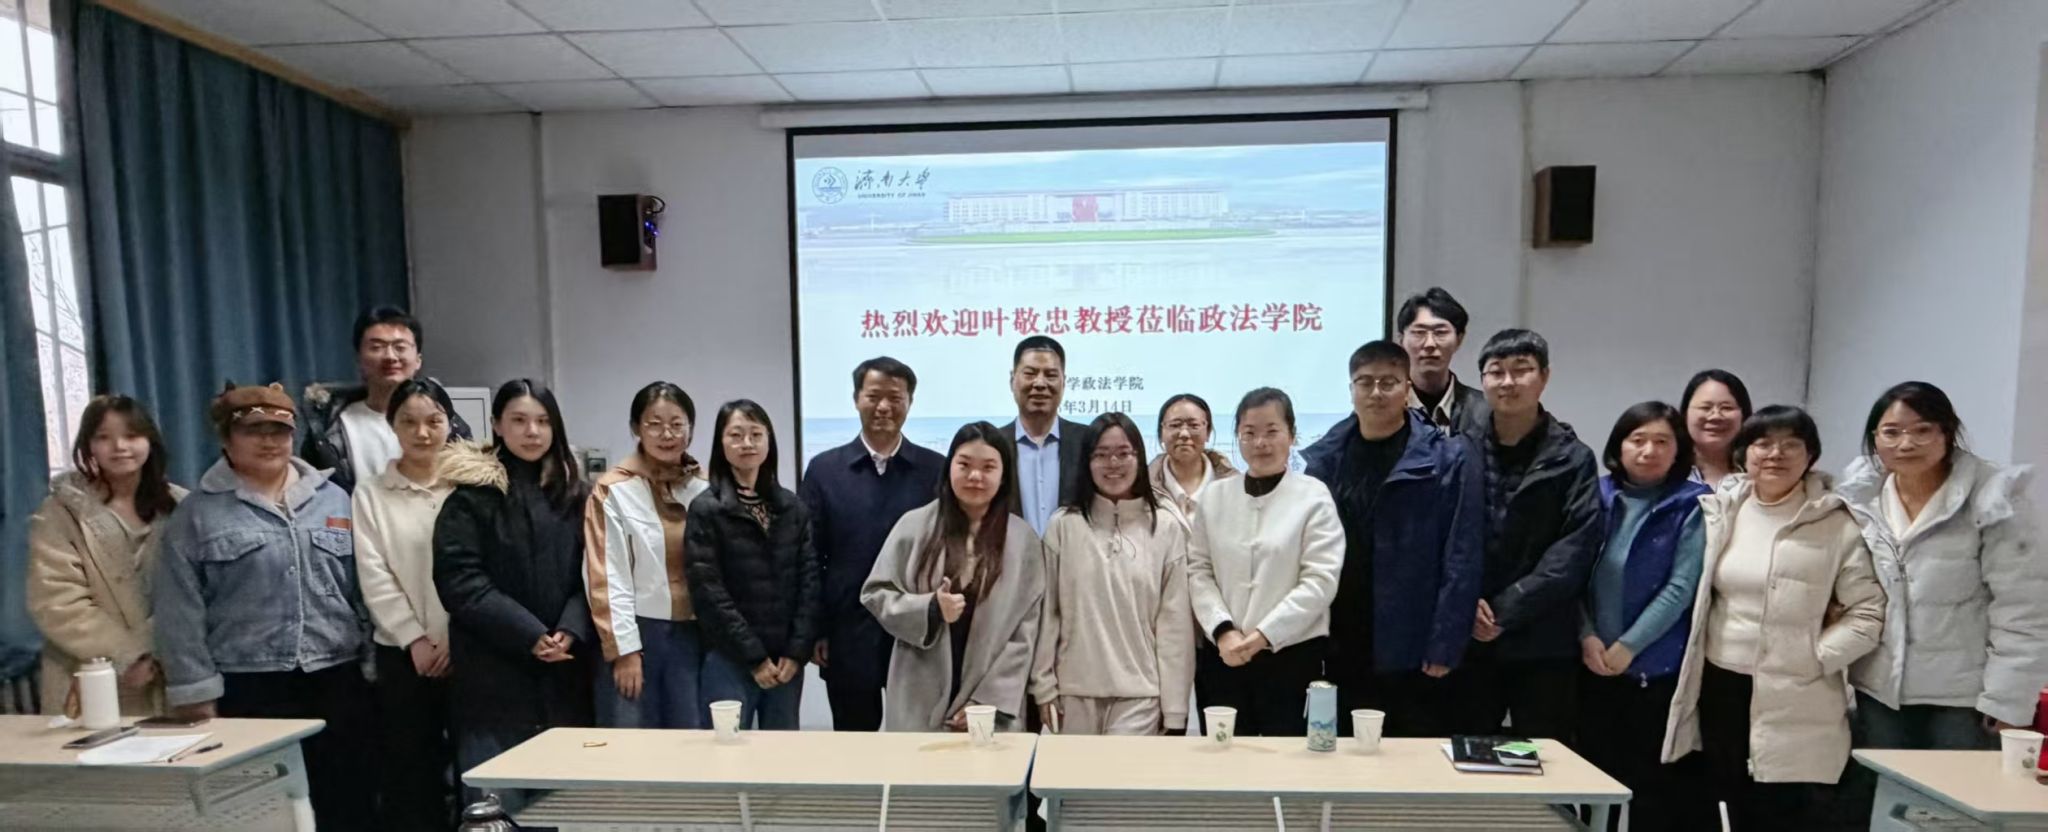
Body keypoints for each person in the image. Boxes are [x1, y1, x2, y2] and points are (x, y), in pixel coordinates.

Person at [153, 383, 374, 829]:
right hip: (248, 683)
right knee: (262, 809)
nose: (269, 441)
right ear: (226, 439)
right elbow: (179, 607)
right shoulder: (197, 513)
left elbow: (362, 588)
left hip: (336, 675)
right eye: (254, 431)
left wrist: (374, 661)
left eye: (280, 430)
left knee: (347, 800)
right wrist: (195, 690)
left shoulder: (335, 499)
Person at [1660, 405, 1886, 832]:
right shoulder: (1724, 511)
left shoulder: (1835, 523)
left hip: (1795, 689)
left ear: (1810, 455)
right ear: (1744, 453)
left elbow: (1868, 612)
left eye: (1791, 445)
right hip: (1721, 683)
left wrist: (1815, 657)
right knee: (1726, 799)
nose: (1776, 454)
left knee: (1782, 808)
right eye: (1763, 443)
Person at [1836, 382, 2048, 818]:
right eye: (1891, 432)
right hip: (1881, 691)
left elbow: (2023, 609)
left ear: (1947, 433)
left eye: (1922, 430)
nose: (1906, 443)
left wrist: (2009, 701)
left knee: (1956, 811)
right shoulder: (1861, 496)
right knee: (1887, 809)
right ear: (1875, 438)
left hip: (1963, 699)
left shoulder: (1994, 498)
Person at [1302, 342, 1482, 738]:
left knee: (1411, 756)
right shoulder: (1323, 459)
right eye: (1365, 382)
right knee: (1340, 753)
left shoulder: (1445, 458)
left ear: (1407, 389)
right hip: (1341, 638)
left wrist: (1445, 642)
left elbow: (1462, 554)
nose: (1376, 392)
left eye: (1388, 382)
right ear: (1351, 389)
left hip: (1412, 642)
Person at [434, 380, 594, 802]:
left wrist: (571, 628)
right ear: (497, 425)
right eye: (519, 420)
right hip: (493, 677)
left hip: (564, 674)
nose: (532, 432)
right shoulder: (471, 498)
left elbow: (593, 574)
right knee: (497, 807)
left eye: (543, 421)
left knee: (564, 807)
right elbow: (460, 581)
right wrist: (529, 634)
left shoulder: (576, 496)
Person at [1454, 329, 1601, 743]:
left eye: (1521, 370)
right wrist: (1465, 603)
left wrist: (1506, 609)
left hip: (1543, 637)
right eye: (1496, 371)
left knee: (1545, 755)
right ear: (1482, 380)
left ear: (1544, 377)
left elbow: (1574, 549)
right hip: (1468, 636)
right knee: (1462, 753)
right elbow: (1445, 536)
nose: (1508, 382)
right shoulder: (1459, 449)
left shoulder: (1573, 458)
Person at [1576, 402, 1713, 831]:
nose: (1649, 451)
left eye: (1661, 442)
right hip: (1588, 662)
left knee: (1649, 788)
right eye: (1638, 439)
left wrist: (1629, 646)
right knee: (1590, 778)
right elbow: (1572, 574)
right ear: (1619, 446)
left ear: (1678, 451)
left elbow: (1681, 588)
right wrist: (1586, 635)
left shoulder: (1693, 504)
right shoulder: (1595, 494)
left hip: (1654, 669)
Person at [863, 421, 1044, 732]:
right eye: (964, 465)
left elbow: (1026, 631)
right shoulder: (914, 526)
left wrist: (986, 700)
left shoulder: (1022, 540)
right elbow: (876, 594)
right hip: (919, 690)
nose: (975, 476)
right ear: (949, 468)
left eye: (988, 467)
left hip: (991, 704)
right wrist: (931, 608)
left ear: (1003, 476)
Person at [1187, 388, 1344, 737]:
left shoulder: (1313, 497)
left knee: (1287, 758)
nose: (1260, 443)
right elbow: (1199, 570)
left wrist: (1263, 636)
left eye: (1272, 431)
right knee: (1225, 757)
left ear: (1292, 435)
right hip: (1224, 655)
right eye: (1249, 432)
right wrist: (1223, 630)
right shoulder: (1215, 496)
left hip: (1291, 657)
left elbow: (1320, 581)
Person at [800, 357, 946, 731]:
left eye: (895, 398)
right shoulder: (825, 470)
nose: (884, 407)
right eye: (874, 396)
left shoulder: (935, 469)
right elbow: (809, 557)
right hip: (848, 631)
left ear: (910, 402)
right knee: (855, 742)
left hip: (916, 633)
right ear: (856, 399)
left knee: (919, 737)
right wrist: (817, 630)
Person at [1032, 412, 1194, 736]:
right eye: (1101, 455)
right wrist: (1043, 687)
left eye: (1123, 453)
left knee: (1125, 773)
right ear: (1087, 461)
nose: (1113, 464)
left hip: (1141, 697)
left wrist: (1175, 711)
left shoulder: (1165, 527)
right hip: (1072, 695)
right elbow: (1047, 614)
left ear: (1139, 457)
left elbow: (1174, 626)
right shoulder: (1064, 525)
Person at [28, 395, 186, 717]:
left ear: (150, 441)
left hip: (172, 669)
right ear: (88, 445)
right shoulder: (61, 511)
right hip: (90, 673)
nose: (120, 447)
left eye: (132, 435)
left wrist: (156, 649)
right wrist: (127, 653)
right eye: (104, 437)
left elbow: (197, 591)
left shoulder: (182, 506)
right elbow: (56, 600)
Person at [351, 378, 459, 831]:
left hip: (469, 647)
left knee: (474, 763)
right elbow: (374, 575)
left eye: (434, 420)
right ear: (392, 426)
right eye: (408, 422)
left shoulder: (471, 486)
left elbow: (484, 571)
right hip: (403, 654)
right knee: (412, 773)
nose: (422, 432)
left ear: (450, 424)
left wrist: (455, 637)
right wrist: (414, 638)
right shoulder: (370, 494)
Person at [685, 400, 820, 730]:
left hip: (786, 660)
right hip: (729, 658)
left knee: (783, 752)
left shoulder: (792, 507)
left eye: (756, 434)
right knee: (726, 750)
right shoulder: (706, 509)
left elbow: (810, 581)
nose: (747, 443)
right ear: (721, 443)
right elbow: (708, 591)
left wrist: (797, 652)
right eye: (736, 435)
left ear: (768, 441)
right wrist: (754, 657)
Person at [585, 382, 712, 729]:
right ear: (636, 428)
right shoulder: (614, 489)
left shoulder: (705, 488)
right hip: (639, 634)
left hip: (696, 636)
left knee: (693, 740)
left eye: (677, 424)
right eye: (654, 424)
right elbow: (607, 576)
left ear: (690, 429)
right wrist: (625, 650)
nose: (667, 434)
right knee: (634, 742)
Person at [302, 306, 472, 493]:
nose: (390, 357)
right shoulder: (327, 428)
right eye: (377, 347)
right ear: (359, 358)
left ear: (418, 360)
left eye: (400, 347)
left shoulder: (450, 426)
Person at [1002, 335, 1085, 536]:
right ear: (1012, 380)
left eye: (1051, 375)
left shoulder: (1088, 442)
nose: (1040, 383)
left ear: (1064, 383)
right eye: (1030, 374)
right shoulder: (993, 445)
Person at [1397, 287, 1489, 439]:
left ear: (1459, 339)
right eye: (1419, 332)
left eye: (1440, 332)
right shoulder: (1385, 407)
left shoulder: (1485, 411)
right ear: (1401, 340)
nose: (1430, 344)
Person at [1147, 393, 1239, 515]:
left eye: (1194, 425)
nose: (1184, 434)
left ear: (1208, 432)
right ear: (1161, 433)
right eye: (1175, 425)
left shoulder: (1236, 487)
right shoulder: (1142, 488)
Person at [1681, 369, 1752, 490]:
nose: (1715, 416)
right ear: (1685, 414)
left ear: (1744, 415)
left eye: (1726, 408)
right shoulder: (1664, 472)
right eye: (1705, 407)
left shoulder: (1761, 473)